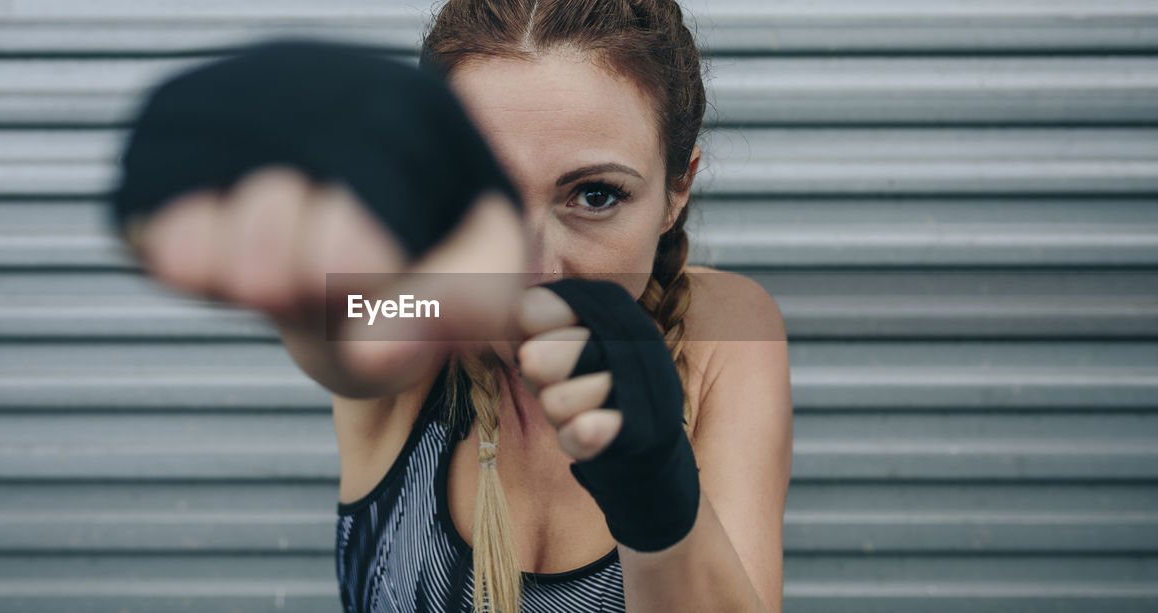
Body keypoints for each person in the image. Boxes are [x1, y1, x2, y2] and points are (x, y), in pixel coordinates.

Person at [111, 1, 792, 611]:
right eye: (489, 189)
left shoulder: (723, 333)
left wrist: (658, 493)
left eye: (595, 196)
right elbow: (348, 325)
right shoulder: (415, 307)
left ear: (678, 190)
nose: (535, 268)